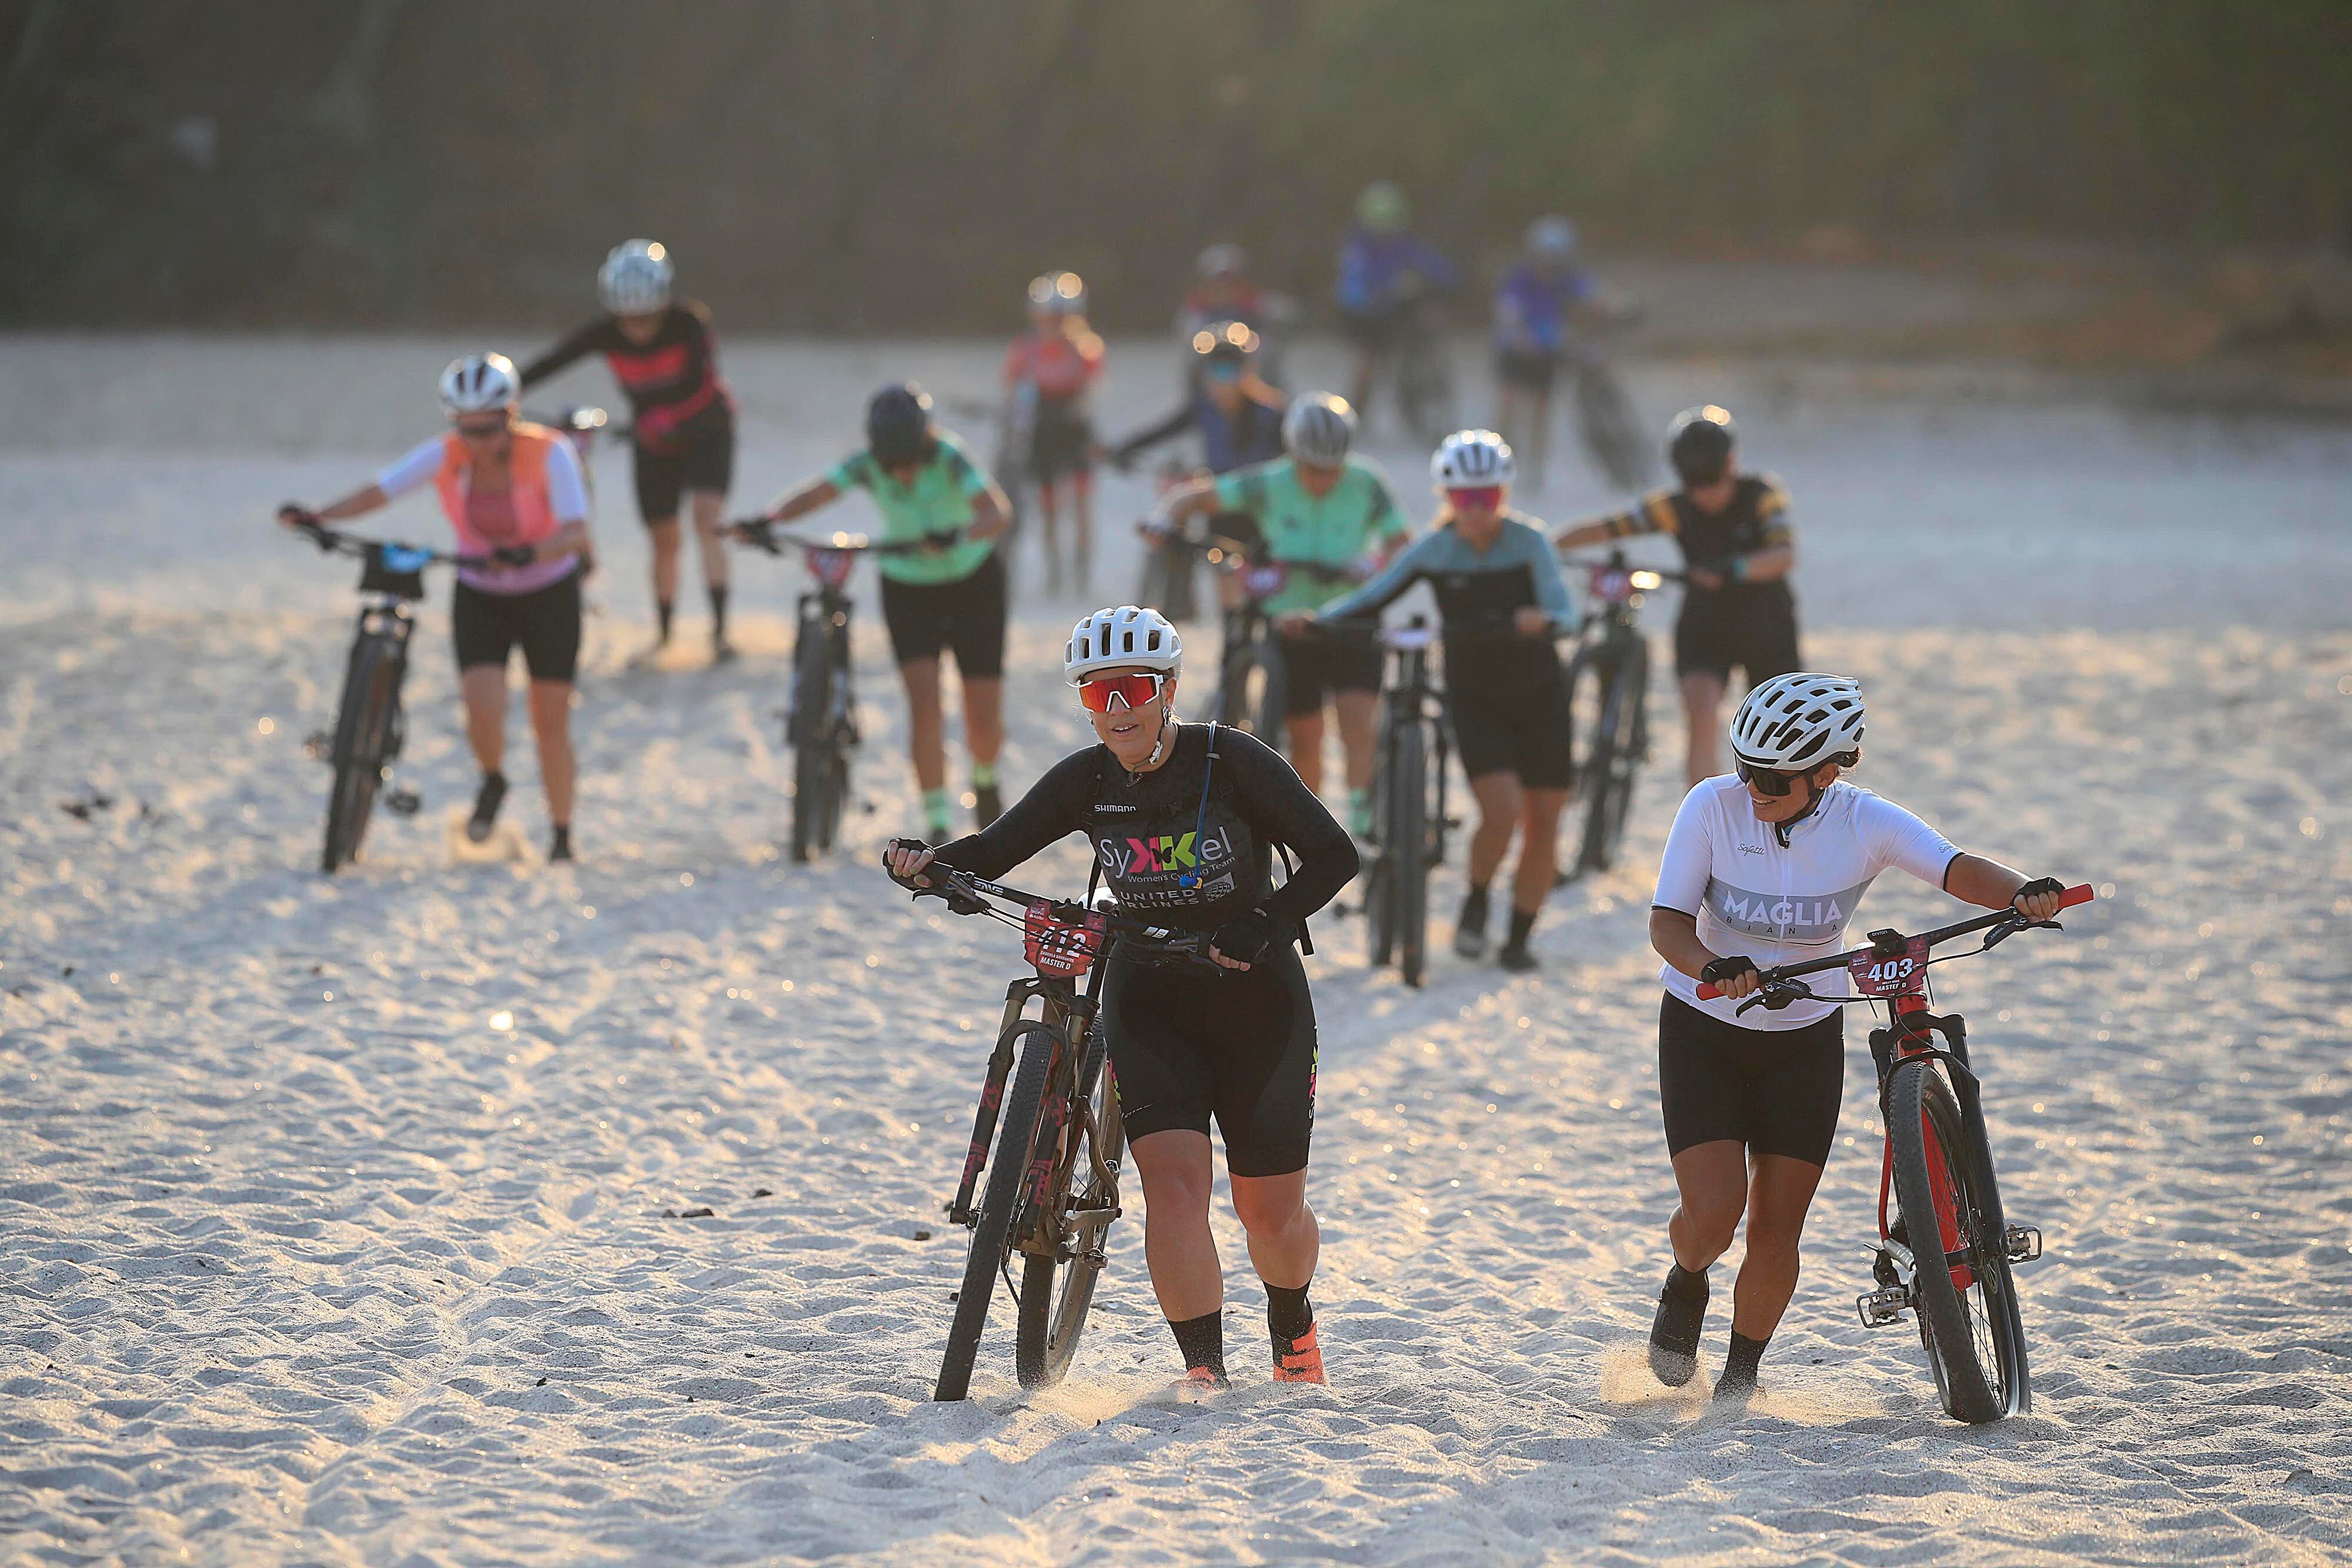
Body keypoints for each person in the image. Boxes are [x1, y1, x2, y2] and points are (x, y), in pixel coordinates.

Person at [883, 606, 1359, 1391]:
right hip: (1148, 996)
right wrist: (928, 864)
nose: (1116, 709)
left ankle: (1291, 1319)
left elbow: (1335, 855)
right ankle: (1205, 1370)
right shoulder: (1087, 779)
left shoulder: (1231, 760)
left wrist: (1265, 922)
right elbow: (996, 847)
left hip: (1257, 1000)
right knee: (1173, 1191)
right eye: (1095, 693)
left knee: (1269, 1215)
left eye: (1132, 688)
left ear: (1166, 687)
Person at [1643, 673, 2072, 1403]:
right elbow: (1666, 926)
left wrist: (2024, 891)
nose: (1754, 788)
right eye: (1746, 769)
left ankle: (1740, 1379)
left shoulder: (1862, 819)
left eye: (1774, 779)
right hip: (1705, 1028)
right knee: (1712, 1218)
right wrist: (1716, 967)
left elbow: (1954, 867)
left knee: (1778, 1225)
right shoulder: (1711, 807)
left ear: (1829, 771)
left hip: (1805, 1035)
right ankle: (1687, 1280)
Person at [278, 354, 590, 861]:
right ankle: (493, 780)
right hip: (481, 593)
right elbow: (381, 490)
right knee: (481, 707)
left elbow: (577, 531)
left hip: (548, 595)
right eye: (465, 430)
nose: (476, 442)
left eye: (488, 429)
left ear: (510, 416)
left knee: (548, 721)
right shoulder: (447, 454)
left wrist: (530, 552)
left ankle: (561, 835)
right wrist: (318, 516)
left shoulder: (551, 452)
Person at [1306, 431, 1577, 971]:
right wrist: (1313, 621)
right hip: (1476, 696)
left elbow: (1564, 610)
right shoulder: (1435, 548)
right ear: (1446, 498)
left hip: (1540, 693)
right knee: (1500, 810)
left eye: (1488, 497)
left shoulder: (1529, 543)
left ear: (1503, 494)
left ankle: (1519, 936)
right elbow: (1371, 597)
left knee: (1545, 818)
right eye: (1463, 498)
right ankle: (1478, 896)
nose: (1476, 509)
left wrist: (1541, 620)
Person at [746, 384, 1013, 841]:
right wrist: (769, 519)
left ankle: (985, 782)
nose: (903, 474)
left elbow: (997, 513)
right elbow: (819, 493)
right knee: (924, 704)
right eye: (894, 466)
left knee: (981, 711)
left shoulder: (950, 456)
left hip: (974, 582)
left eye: (910, 461)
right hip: (908, 587)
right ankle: (938, 819)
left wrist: (959, 533)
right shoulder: (869, 464)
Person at [1149, 394, 1409, 833]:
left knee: (1358, 724)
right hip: (1290, 623)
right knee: (1305, 736)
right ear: (1293, 456)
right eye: (1312, 469)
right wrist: (1164, 519)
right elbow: (1197, 497)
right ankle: (1315, 827)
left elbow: (1401, 541)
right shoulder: (1269, 482)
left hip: (1353, 617)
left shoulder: (1368, 483)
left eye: (1332, 470)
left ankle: (1363, 819)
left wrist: (1375, 565)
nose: (1322, 479)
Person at [1553, 406, 1799, 785]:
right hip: (1706, 622)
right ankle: (1704, 823)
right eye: (1693, 483)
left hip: (1766, 622)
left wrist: (1732, 569)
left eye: (1712, 481)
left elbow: (1783, 556)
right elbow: (1610, 527)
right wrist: (1549, 547)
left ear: (1732, 464)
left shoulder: (1762, 495)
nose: (1704, 494)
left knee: (1776, 731)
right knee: (1700, 710)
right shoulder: (1673, 507)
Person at [519, 239, 738, 663]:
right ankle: (665, 631)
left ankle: (720, 631)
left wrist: (668, 416)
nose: (637, 328)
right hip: (653, 441)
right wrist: (504, 391)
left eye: (646, 318)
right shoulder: (604, 333)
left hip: (708, 431)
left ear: (663, 304)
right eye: (628, 319)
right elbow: (552, 361)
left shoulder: (689, 323)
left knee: (707, 522)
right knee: (664, 538)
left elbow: (705, 385)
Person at [1003, 271, 1105, 596]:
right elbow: (1014, 390)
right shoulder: (1025, 350)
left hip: (1075, 430)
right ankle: (1054, 572)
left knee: (1081, 503)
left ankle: (1081, 573)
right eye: (1049, 317)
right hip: (1041, 431)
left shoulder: (1086, 349)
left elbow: (1088, 390)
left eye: (1061, 318)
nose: (1055, 324)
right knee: (1047, 506)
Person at [1335, 182, 1458, 423]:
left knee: (1427, 314)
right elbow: (1354, 287)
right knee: (1370, 359)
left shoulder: (1403, 243)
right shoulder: (1358, 247)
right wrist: (1385, 289)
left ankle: (1417, 387)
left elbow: (1435, 266)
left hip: (1397, 308)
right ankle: (1357, 412)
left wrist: (1449, 280)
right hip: (1366, 313)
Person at [1492, 216, 1599, 493]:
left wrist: (1619, 305)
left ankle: (1534, 470)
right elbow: (1508, 312)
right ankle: (1497, 462)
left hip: (1547, 354)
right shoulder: (1519, 279)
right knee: (1510, 405)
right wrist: (1520, 337)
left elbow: (1595, 297)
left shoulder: (1568, 280)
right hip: (1516, 351)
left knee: (1542, 411)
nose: (1550, 263)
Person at [1176, 245, 1296, 385]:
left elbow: (1288, 314)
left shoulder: (1254, 301)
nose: (1223, 287)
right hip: (1211, 375)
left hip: (1252, 369)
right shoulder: (1196, 308)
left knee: (1267, 349)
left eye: (1229, 281)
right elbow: (1186, 333)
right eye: (1217, 281)